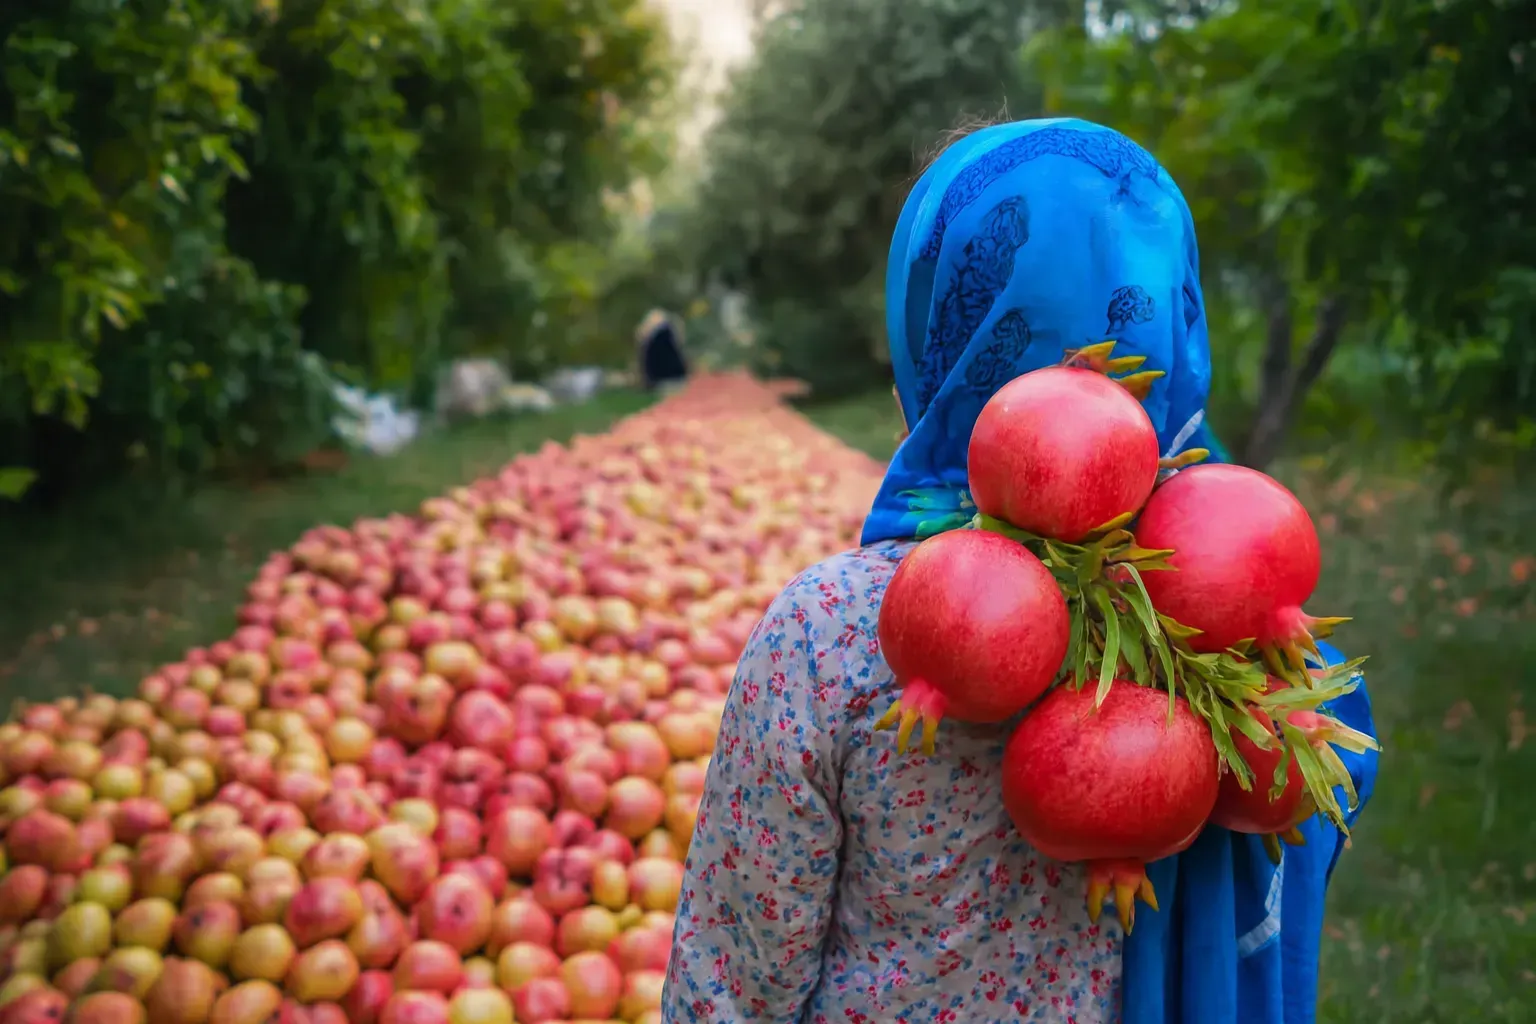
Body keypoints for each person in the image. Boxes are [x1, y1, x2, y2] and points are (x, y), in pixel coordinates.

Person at [660, 118, 1379, 1023]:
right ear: (1174, 324)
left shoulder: (831, 630)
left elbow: (733, 988)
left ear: (932, 345)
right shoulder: (1240, 630)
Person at [637, 308, 691, 392]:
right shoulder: (664, 335)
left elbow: (652, 360)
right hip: (671, 377)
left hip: (668, 378)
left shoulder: (660, 336)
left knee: (672, 399)